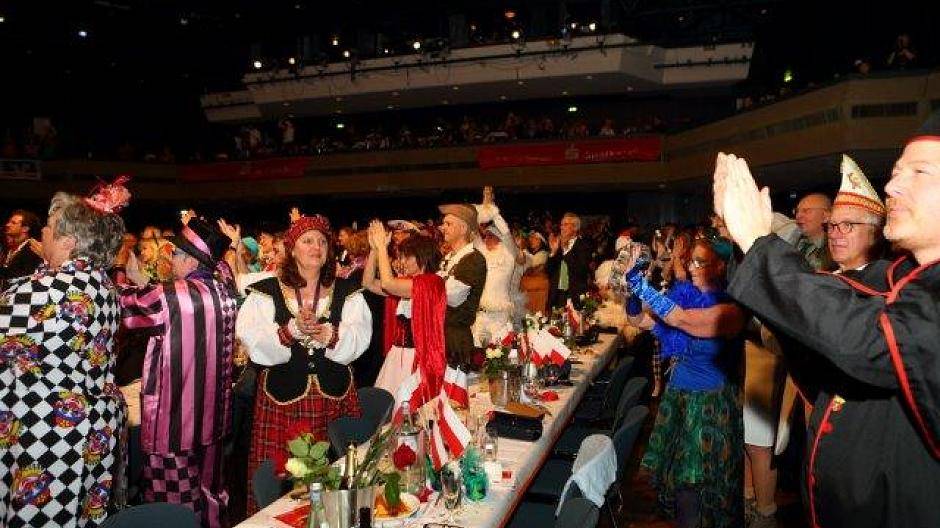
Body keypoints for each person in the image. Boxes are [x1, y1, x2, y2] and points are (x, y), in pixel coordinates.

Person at [713, 111, 940, 527]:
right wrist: (748, 247)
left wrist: (759, 245)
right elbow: (823, 353)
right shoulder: (892, 278)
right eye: (895, 173)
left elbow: (869, 340)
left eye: (919, 171)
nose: (892, 186)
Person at [0, 184, 128, 527]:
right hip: (94, 427)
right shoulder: (100, 282)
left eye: (49, 226)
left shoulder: (52, 291)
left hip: (51, 433)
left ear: (68, 242)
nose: (42, 231)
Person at [236, 214, 371, 514]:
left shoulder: (347, 291)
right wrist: (289, 332)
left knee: (335, 471)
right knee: (284, 476)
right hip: (282, 401)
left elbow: (361, 336)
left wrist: (329, 336)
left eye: (322, 242)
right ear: (292, 249)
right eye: (307, 241)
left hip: (332, 400)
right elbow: (252, 338)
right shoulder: (267, 290)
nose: (316, 247)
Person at [118, 216, 238, 528]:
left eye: (176, 253)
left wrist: (122, 270)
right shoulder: (226, 291)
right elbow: (224, 270)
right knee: (212, 495)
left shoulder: (169, 295)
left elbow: (122, 306)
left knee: (173, 504)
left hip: (172, 425)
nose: (170, 259)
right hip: (213, 423)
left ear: (190, 260)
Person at [623, 237, 746, 528]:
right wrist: (631, 293)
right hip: (677, 399)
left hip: (708, 406)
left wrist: (639, 284)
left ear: (720, 266)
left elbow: (683, 320)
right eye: (691, 261)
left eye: (699, 262)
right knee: (678, 478)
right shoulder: (684, 298)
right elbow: (638, 320)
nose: (691, 268)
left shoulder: (732, 311)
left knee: (696, 482)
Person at [364, 221, 446, 411]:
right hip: (397, 357)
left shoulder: (432, 282)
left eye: (407, 256)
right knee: (387, 411)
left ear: (422, 256)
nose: (402, 261)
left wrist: (383, 248)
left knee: (409, 410)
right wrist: (375, 250)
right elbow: (368, 283)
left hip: (418, 358)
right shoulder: (409, 283)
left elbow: (388, 284)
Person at [436, 203, 486, 368]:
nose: (443, 227)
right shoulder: (448, 258)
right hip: (442, 335)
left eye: (448, 224)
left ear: (463, 228)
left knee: (454, 383)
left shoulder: (474, 259)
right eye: (444, 223)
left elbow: (453, 298)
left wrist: (428, 286)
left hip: (456, 340)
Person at [472, 187, 523, 345]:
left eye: (490, 235)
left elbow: (506, 232)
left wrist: (494, 213)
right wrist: (485, 205)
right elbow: (473, 230)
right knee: (477, 351)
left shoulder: (509, 254)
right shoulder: (482, 252)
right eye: (485, 235)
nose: (486, 238)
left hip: (500, 315)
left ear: (498, 237)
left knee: (500, 352)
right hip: (480, 314)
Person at [547, 212, 592, 309]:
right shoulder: (558, 245)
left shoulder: (584, 245)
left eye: (566, 224)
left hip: (575, 295)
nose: (562, 228)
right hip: (557, 295)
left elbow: (581, 270)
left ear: (575, 228)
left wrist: (565, 250)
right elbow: (549, 271)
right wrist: (553, 252)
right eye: (561, 225)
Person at [1, 209, 43, 291]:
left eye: (13, 223)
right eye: (9, 222)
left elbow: (22, 277)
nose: (7, 225)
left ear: (25, 229)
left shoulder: (32, 249)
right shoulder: (11, 249)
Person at [793, 192, 834, 272]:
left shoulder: (835, 249)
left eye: (806, 211)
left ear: (825, 217)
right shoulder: (793, 241)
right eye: (797, 211)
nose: (798, 216)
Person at [521, 231, 549, 313]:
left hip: (537, 291)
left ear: (541, 241)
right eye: (531, 238)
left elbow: (533, 271)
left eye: (535, 238)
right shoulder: (528, 253)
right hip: (528, 290)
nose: (532, 240)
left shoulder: (543, 254)